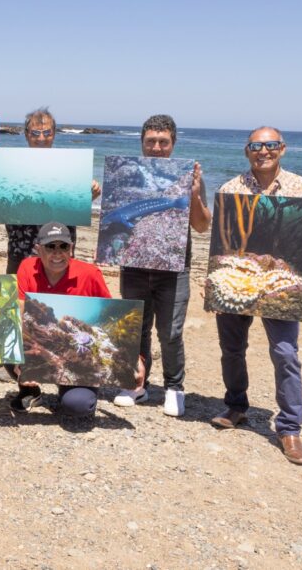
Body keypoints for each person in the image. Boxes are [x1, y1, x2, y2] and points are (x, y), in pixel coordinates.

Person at [210, 126, 302, 466]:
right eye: (256, 146)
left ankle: (289, 428)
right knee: (232, 348)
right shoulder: (230, 189)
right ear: (247, 151)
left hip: (281, 279)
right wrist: (214, 279)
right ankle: (236, 405)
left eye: (270, 145)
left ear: (282, 149)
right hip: (238, 277)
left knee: (285, 352)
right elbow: (223, 238)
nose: (263, 151)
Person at [113, 114, 211, 416]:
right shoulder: (126, 173)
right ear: (141, 143)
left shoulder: (190, 176)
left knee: (170, 332)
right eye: (151, 142)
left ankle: (174, 387)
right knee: (135, 326)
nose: (157, 147)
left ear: (173, 143)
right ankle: (136, 383)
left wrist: (193, 194)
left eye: (163, 142)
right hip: (134, 265)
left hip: (174, 268)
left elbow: (202, 226)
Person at [0, 107, 101, 275]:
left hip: (59, 251)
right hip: (20, 250)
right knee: (19, 300)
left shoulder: (70, 166)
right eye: (35, 133)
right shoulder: (10, 166)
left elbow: (75, 206)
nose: (41, 138)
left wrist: (91, 194)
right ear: (26, 134)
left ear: (54, 134)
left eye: (47, 133)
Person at [9, 222, 112, 417]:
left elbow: (110, 314)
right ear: (38, 249)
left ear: (71, 248)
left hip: (77, 351)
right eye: (50, 246)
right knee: (5, 342)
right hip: (41, 344)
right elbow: (18, 312)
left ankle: (71, 389)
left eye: (63, 246)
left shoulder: (90, 273)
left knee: (77, 406)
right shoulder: (26, 267)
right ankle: (30, 391)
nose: (57, 253)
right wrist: (24, 359)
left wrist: (134, 358)